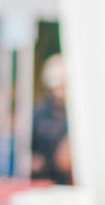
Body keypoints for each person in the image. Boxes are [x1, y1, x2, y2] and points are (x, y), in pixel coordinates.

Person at [29, 54, 74, 184]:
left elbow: (64, 162)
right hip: (42, 183)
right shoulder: (39, 113)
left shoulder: (77, 116)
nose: (57, 91)